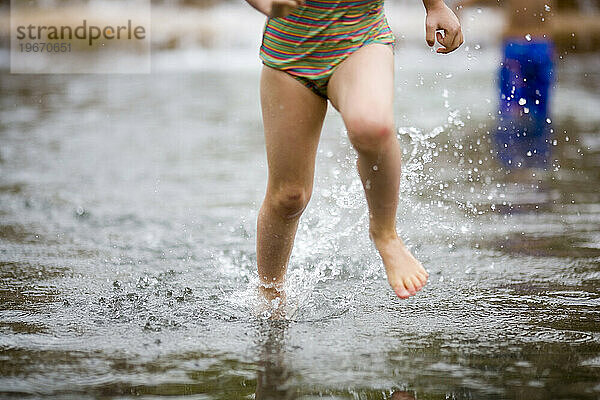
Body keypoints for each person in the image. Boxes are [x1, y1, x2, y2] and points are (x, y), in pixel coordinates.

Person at [245, 0, 463, 303]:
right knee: (289, 196)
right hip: (289, 52)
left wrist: (435, 5)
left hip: (360, 37)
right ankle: (270, 292)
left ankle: (386, 234)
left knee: (371, 127)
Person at [458, 0, 555, 170]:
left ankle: (511, 165)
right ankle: (538, 164)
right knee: (540, 110)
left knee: (510, 109)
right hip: (542, 44)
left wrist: (458, 8)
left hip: (515, 44)